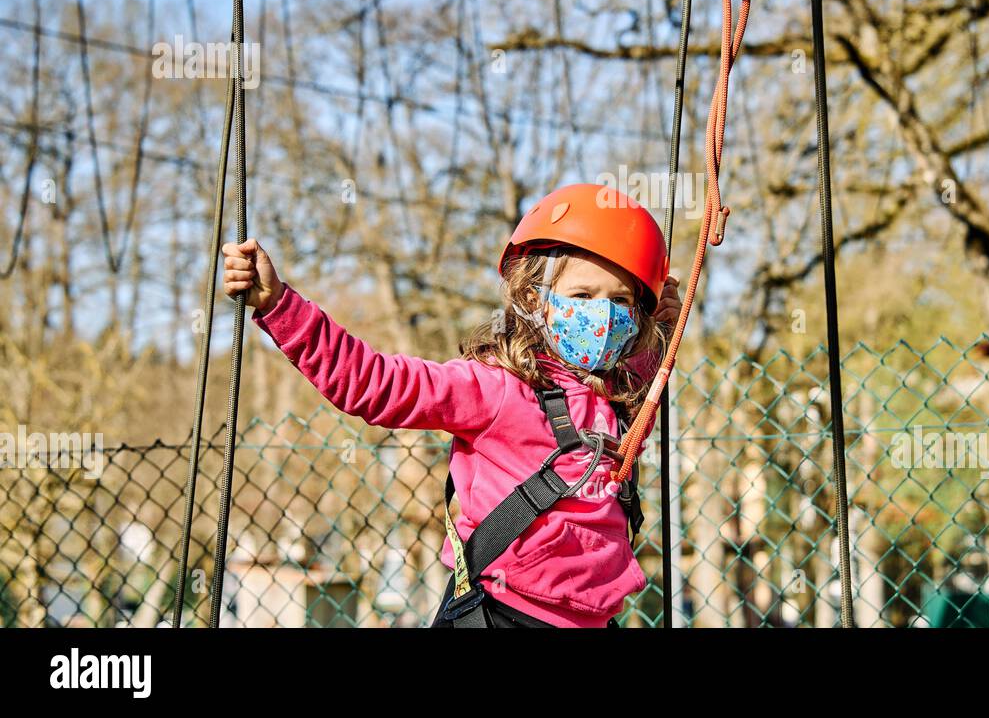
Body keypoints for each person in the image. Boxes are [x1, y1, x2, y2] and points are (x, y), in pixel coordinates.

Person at [222, 183, 680, 628]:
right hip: (501, 613)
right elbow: (373, 382)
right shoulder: (494, 388)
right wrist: (279, 306)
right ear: (531, 298)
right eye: (581, 296)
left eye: (620, 300)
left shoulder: (620, 398)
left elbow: (645, 375)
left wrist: (661, 333)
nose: (602, 316)